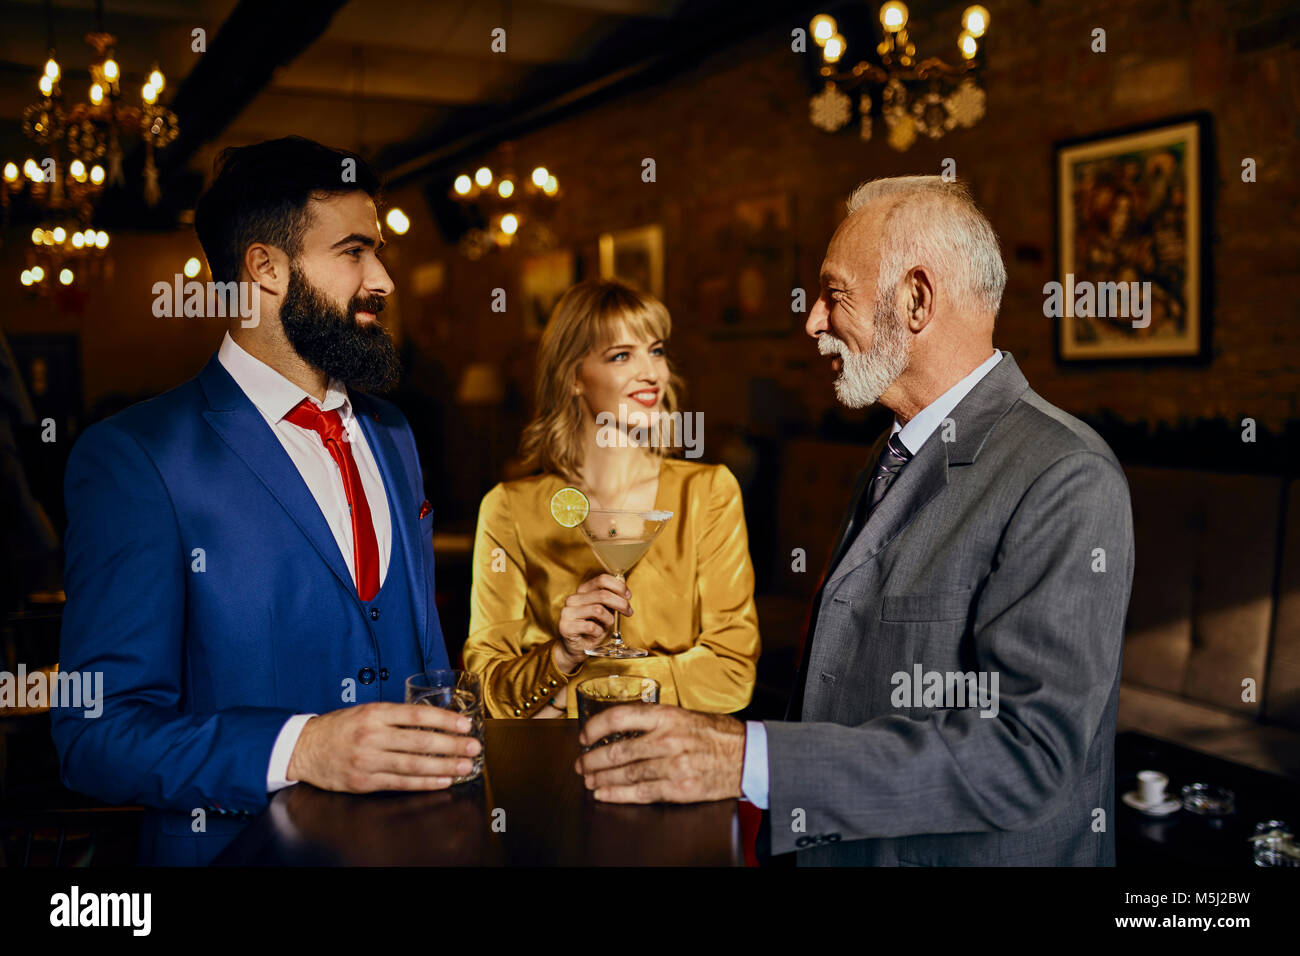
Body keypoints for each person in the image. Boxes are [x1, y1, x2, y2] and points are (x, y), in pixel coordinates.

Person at [574, 176, 1135, 867]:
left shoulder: (1065, 474)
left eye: (833, 293)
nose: (812, 320)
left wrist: (750, 760)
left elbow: (1028, 756)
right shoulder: (895, 448)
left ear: (917, 301)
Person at [50, 137, 472, 866]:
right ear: (265, 269)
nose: (383, 279)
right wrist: (302, 747)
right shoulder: (136, 457)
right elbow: (96, 734)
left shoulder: (394, 433)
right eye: (354, 251)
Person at [464, 279, 760, 718]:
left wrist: (571, 694)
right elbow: (484, 685)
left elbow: (732, 675)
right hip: (554, 766)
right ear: (574, 377)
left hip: (673, 760)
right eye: (622, 355)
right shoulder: (509, 507)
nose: (652, 373)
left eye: (655, 350)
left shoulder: (708, 492)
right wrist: (561, 654)